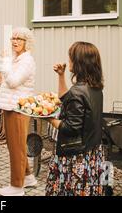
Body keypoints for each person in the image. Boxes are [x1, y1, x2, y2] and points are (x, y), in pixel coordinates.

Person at [45, 42, 105, 196]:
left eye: (71, 58)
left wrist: (48, 118)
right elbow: (66, 99)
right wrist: (61, 75)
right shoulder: (95, 87)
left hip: (75, 156)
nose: (68, 61)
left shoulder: (77, 92)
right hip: (92, 151)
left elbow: (71, 128)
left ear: (79, 63)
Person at [0, 27, 37, 196]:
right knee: (15, 146)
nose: (15, 41)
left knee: (17, 147)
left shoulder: (27, 60)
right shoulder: (16, 59)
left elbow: (13, 81)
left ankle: (17, 187)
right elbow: (8, 83)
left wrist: (4, 62)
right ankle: (29, 177)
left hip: (18, 109)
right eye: (13, 38)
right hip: (9, 106)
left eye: (19, 39)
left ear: (27, 42)